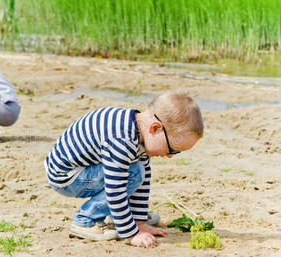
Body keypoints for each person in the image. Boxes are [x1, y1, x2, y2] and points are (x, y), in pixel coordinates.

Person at [44, 92, 204, 247]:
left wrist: (139, 222)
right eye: (172, 149)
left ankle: (123, 217)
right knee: (132, 174)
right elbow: (115, 190)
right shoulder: (122, 140)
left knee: (137, 171)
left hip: (83, 169)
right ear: (155, 129)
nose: (170, 156)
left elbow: (144, 180)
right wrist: (132, 233)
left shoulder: (137, 132)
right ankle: (85, 220)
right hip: (66, 177)